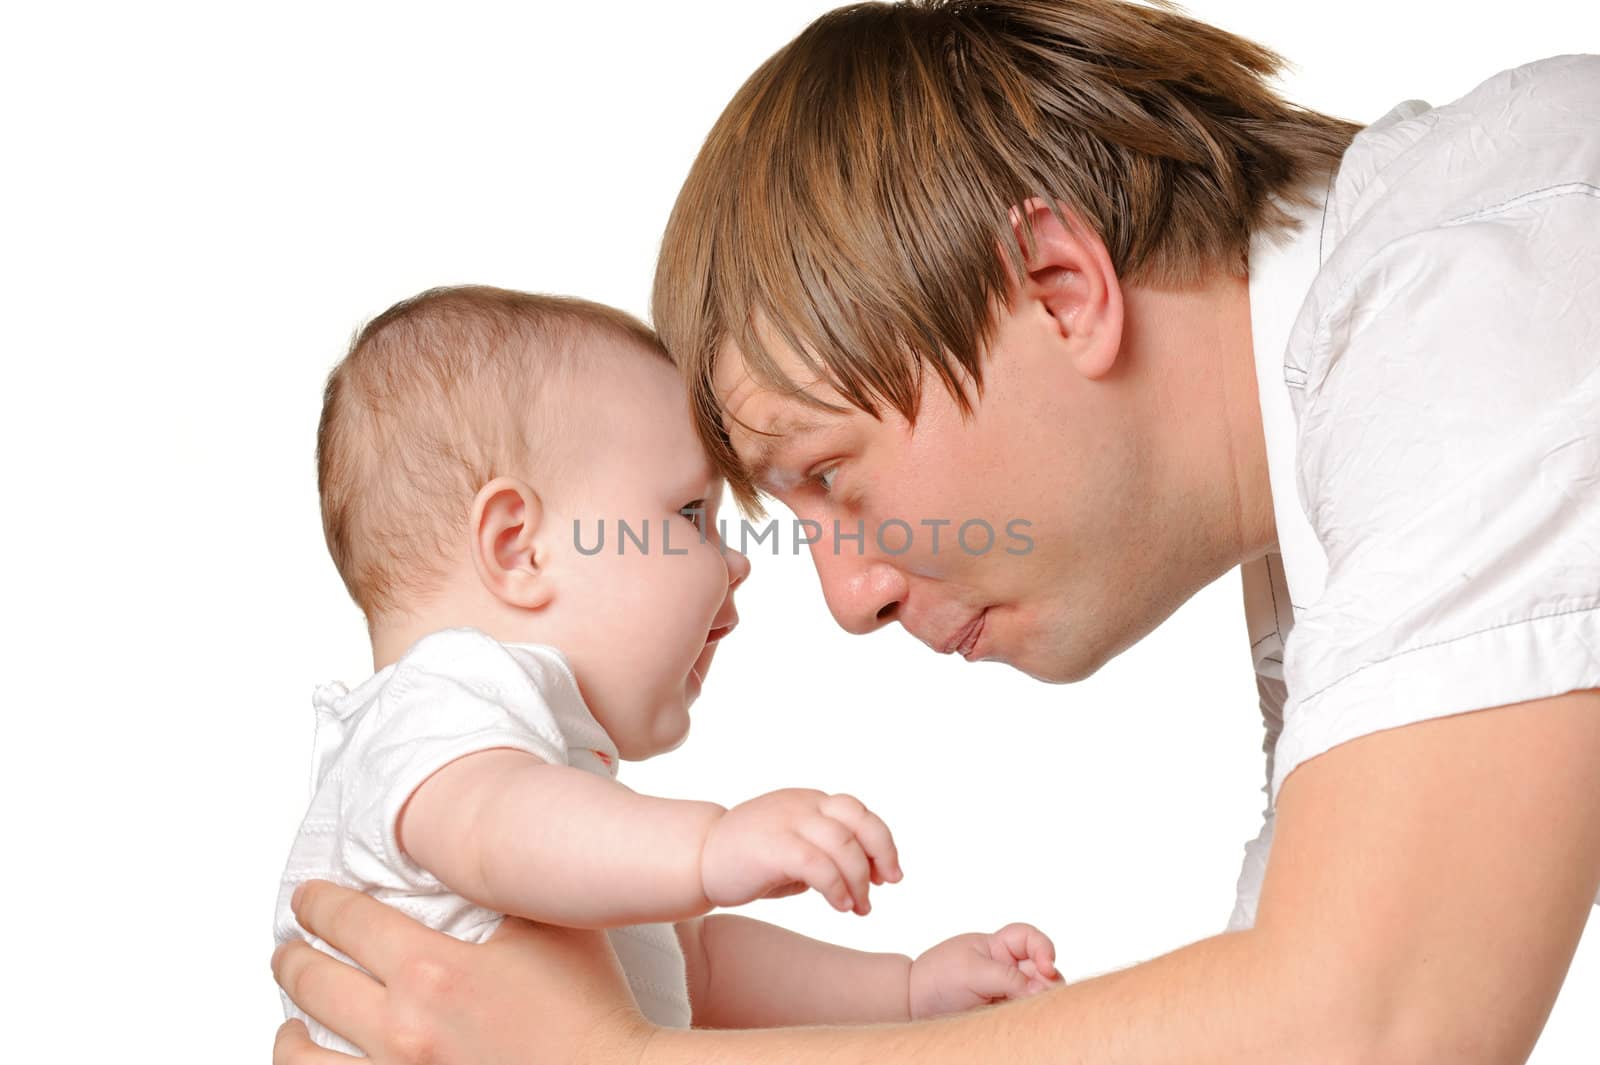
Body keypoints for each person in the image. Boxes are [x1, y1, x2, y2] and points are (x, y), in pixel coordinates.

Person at [272, 2, 1600, 1062]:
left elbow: (1370, 1022)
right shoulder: (1353, 502)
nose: (838, 597)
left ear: (1055, 284)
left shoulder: (1479, 290)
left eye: (829, 474)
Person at [274, 285, 1060, 1053]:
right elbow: (492, 828)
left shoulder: (556, 799)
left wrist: (906, 991)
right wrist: (708, 848)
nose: (739, 560)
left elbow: (699, 967)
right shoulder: (431, 713)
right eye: (691, 514)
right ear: (518, 547)